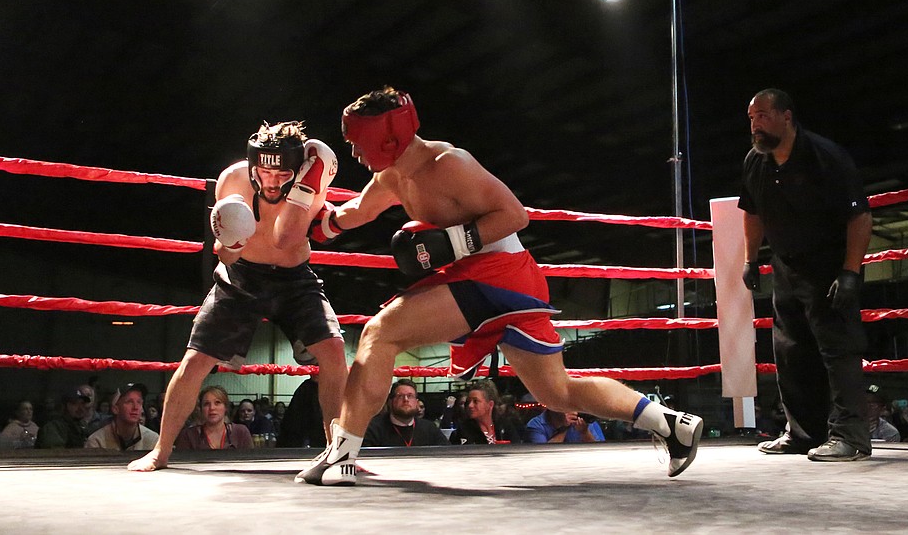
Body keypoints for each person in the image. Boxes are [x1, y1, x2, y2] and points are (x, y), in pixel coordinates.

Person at [296, 87, 702, 485]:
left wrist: (451, 243)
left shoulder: (449, 163)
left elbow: (515, 215)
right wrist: (316, 219)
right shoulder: (392, 176)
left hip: (500, 272)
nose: (354, 153)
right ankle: (672, 424)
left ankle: (343, 455)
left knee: (379, 333)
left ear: (387, 137)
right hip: (490, 277)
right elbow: (356, 211)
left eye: (358, 142)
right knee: (557, 393)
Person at [128, 121, 347, 472]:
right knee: (196, 360)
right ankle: (161, 451)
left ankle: (338, 452)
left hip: (295, 278)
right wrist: (231, 244)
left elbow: (289, 238)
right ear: (253, 166)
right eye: (264, 172)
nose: (272, 182)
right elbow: (224, 254)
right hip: (241, 275)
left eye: (282, 174)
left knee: (334, 352)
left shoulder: (313, 180)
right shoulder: (232, 181)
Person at [739, 88, 873, 462]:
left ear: (786, 116)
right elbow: (752, 211)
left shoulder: (824, 156)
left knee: (837, 347)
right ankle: (802, 433)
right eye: (751, 118)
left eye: (763, 115)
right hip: (785, 265)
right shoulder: (755, 162)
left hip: (829, 263)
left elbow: (859, 215)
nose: (755, 124)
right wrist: (751, 259)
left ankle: (851, 436)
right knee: (790, 350)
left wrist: (850, 272)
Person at [363, 378, 447, 447]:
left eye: (410, 396)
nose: (406, 400)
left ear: (416, 402)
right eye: (400, 396)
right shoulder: (372, 428)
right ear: (390, 401)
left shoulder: (429, 428)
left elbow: (446, 452)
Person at [86, 383, 160, 451]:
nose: (135, 407)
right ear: (115, 409)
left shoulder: (153, 439)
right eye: (129, 402)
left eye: (139, 402)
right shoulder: (97, 441)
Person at [448, 380, 525, 445]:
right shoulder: (463, 430)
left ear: (490, 404)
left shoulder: (505, 426)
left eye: (475, 401)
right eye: (469, 401)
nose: (470, 405)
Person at [176, 386, 253, 450]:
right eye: (206, 404)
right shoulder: (188, 435)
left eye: (217, 402)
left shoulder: (241, 432)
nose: (212, 408)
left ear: (225, 407)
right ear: (201, 409)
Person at [277, 374, 326, 448]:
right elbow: (293, 418)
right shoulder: (305, 388)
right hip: (303, 435)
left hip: (321, 434)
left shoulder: (331, 387)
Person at [526, 407, 605, 444]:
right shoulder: (536, 425)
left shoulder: (582, 421)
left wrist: (584, 432)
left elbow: (596, 449)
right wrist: (564, 428)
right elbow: (541, 454)